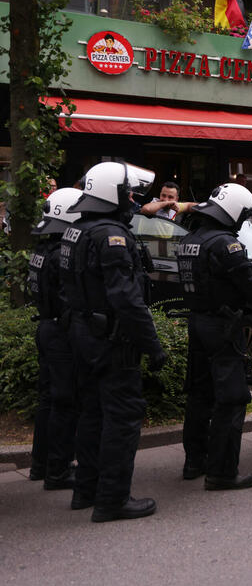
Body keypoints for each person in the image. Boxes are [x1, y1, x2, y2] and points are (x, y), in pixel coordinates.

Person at [60, 161, 166, 522]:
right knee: (121, 417)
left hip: (84, 336)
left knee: (92, 414)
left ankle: (86, 491)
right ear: (113, 194)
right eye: (129, 193)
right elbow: (127, 299)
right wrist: (153, 345)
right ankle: (113, 500)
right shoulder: (112, 237)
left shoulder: (77, 231)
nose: (133, 199)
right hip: (112, 342)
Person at [177, 183, 252, 490]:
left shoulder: (191, 239)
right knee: (232, 399)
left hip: (198, 322)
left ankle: (195, 461)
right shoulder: (225, 245)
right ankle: (223, 472)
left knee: (200, 394)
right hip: (223, 327)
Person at [27, 188, 84, 490]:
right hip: (60, 334)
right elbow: (68, 298)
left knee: (48, 399)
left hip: (45, 329)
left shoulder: (41, 249)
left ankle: (41, 464)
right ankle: (59, 470)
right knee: (65, 401)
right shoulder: (59, 255)